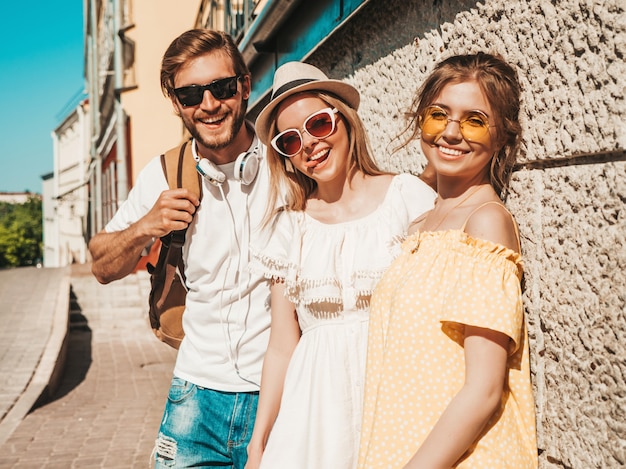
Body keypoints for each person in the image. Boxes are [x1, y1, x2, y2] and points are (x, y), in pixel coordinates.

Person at [88, 29, 272, 468]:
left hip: (284, 391)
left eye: (222, 88)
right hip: (197, 395)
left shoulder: (285, 162)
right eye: (190, 94)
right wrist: (146, 226)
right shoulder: (166, 171)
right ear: (176, 103)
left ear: (245, 86)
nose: (208, 105)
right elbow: (100, 263)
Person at [244, 62, 436, 469]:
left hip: (398, 398)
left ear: (345, 120)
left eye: (317, 124)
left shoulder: (407, 198)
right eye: (290, 141)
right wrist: (258, 443)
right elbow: (281, 345)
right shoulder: (288, 229)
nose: (308, 145)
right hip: (314, 418)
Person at [357, 52, 538, 468]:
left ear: (502, 138)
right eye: (439, 115)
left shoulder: (485, 224)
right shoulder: (421, 225)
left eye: (474, 120)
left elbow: (484, 390)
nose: (451, 133)